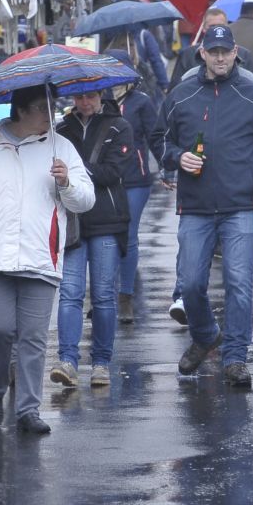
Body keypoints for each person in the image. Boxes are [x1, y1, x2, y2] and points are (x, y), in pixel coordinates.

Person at [0, 84, 94, 434]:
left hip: (40, 257)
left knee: (33, 337)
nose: (51, 115)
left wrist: (67, 183)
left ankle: (28, 409)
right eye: (44, 109)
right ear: (21, 111)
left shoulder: (61, 146)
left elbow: (86, 200)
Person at [159, 25, 253, 387]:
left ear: (236, 53)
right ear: (201, 52)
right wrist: (176, 157)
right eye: (213, 51)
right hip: (196, 207)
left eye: (225, 51)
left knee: (239, 282)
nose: (219, 57)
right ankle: (205, 336)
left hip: (240, 207)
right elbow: (159, 140)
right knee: (190, 284)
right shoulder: (182, 96)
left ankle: (235, 357)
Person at [51, 90, 133, 387]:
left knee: (102, 296)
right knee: (70, 292)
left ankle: (101, 363)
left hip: (107, 220)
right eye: (79, 96)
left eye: (91, 96)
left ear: (102, 96)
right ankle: (68, 360)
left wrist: (74, 171)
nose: (85, 102)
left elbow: (114, 172)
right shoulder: (60, 129)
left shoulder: (118, 126)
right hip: (73, 220)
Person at [105, 49, 164, 323]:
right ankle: (103, 294)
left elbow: (155, 137)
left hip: (136, 179)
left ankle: (125, 297)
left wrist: (168, 166)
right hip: (103, 179)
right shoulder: (97, 100)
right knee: (104, 237)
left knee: (128, 234)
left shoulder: (141, 102)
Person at [169, 7, 253, 89]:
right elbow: (176, 89)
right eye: (212, 26)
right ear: (203, 28)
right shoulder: (188, 54)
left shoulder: (244, 54)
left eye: (221, 26)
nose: (217, 30)